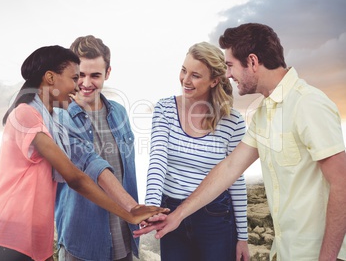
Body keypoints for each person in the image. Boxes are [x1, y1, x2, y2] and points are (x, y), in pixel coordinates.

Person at [134, 23, 346, 261]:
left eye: (231, 66)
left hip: (318, 253)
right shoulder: (264, 114)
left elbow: (342, 183)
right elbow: (229, 168)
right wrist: (177, 215)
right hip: (287, 250)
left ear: (253, 62)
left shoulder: (308, 103)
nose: (227, 75)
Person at [0, 45, 167, 261]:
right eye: (74, 78)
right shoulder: (25, 115)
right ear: (50, 77)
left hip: (33, 240)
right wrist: (128, 213)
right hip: (6, 237)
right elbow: (75, 177)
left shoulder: (52, 121)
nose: (78, 86)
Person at [143, 42, 250, 261]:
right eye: (183, 70)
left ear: (214, 81)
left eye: (195, 75)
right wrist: (152, 205)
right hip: (170, 212)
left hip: (215, 217)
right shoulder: (164, 109)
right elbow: (158, 158)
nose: (185, 80)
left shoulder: (232, 122)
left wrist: (243, 237)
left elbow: (235, 179)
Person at [55, 35, 140, 261]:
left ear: (108, 73)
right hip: (82, 242)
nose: (86, 83)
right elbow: (90, 167)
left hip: (123, 237)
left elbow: (127, 172)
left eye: (95, 75)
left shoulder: (120, 113)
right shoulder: (60, 118)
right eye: (80, 75)